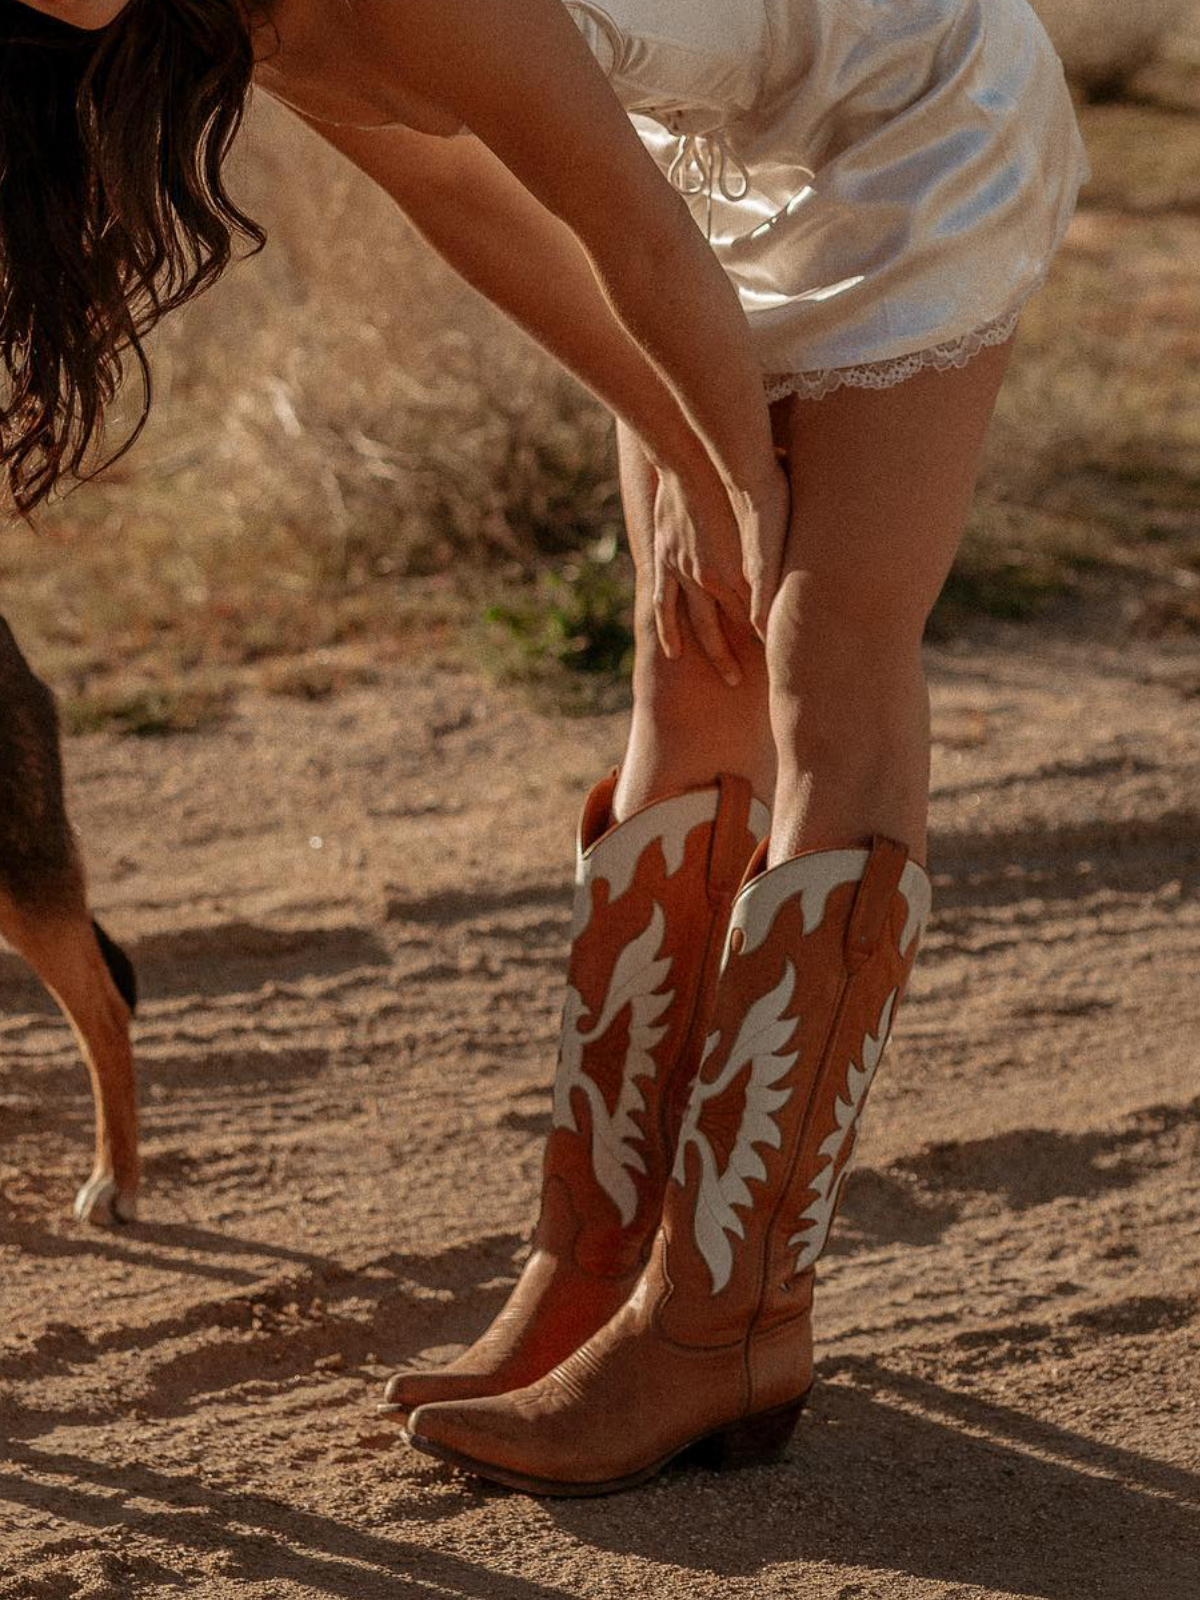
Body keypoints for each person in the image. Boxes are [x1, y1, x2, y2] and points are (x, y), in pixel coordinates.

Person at [1, 0, 1089, 1496]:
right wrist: (695, 449)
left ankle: (727, 1321)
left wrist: (731, 478)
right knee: (683, 665)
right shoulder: (220, 13)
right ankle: (598, 1266)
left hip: (907, 105)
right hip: (699, 171)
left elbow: (627, 239)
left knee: (820, 650)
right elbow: (472, 205)